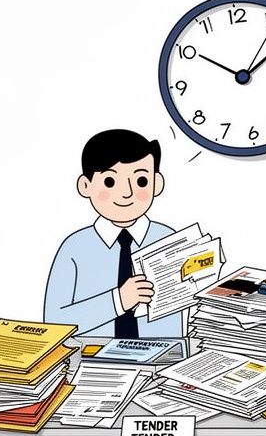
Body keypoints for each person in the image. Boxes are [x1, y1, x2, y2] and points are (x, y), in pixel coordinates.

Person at [44, 129, 182, 337]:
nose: (126, 193)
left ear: (157, 183)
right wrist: (118, 301)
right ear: (85, 186)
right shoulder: (74, 247)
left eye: (141, 181)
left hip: (163, 357)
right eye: (110, 182)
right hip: (92, 360)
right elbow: (53, 323)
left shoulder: (169, 239)